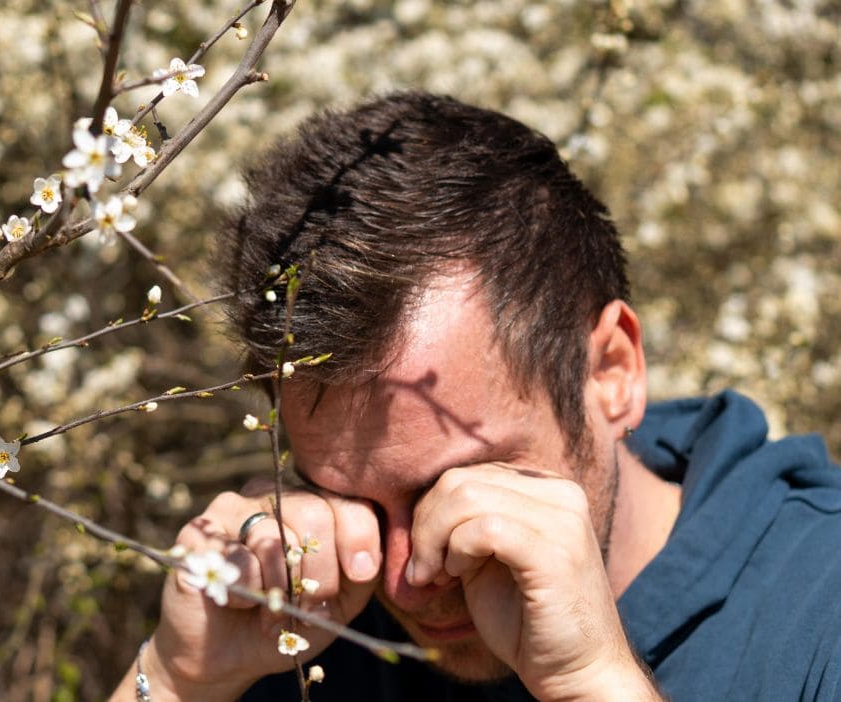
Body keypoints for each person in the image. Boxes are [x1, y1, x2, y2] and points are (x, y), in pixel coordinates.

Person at [110, 92, 841, 701]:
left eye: (451, 488)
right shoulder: (321, 632)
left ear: (611, 372)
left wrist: (595, 683)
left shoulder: (817, 609)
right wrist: (180, 676)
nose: (404, 577)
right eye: (349, 499)